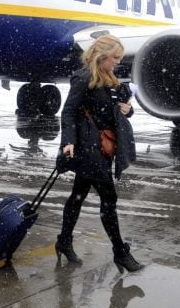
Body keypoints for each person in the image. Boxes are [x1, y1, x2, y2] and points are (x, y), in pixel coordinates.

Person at [55, 34, 142, 272]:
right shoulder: (84, 78)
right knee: (108, 200)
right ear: (102, 56)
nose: (117, 62)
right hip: (88, 149)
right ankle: (120, 253)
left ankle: (63, 241)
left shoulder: (109, 78)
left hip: (102, 148)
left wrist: (127, 109)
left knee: (78, 196)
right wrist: (68, 142)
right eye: (114, 58)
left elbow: (112, 111)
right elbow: (69, 111)